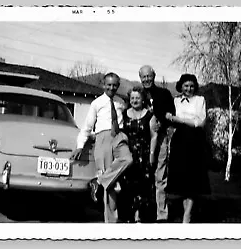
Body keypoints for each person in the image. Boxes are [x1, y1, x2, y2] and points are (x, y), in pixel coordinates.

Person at [70, 72, 133, 223]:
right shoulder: (96, 103)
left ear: (118, 86)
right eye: (109, 85)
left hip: (119, 136)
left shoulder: (121, 102)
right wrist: (80, 146)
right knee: (110, 186)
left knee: (128, 159)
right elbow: (87, 127)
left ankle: (98, 181)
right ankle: (111, 222)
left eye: (115, 85)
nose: (112, 88)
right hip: (102, 138)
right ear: (103, 85)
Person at [165, 73, 211, 223]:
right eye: (186, 86)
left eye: (191, 86)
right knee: (183, 179)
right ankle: (186, 212)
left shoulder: (200, 100)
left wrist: (180, 119)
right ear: (181, 86)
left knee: (193, 179)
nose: (189, 89)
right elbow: (170, 119)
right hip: (179, 140)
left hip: (195, 140)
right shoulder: (176, 100)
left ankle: (187, 215)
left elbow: (200, 122)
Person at [139, 65, 175, 223]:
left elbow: (171, 114)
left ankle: (161, 214)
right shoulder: (137, 94)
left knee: (160, 177)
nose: (146, 79)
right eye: (143, 77)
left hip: (160, 140)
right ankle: (142, 212)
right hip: (141, 142)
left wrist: (162, 121)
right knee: (142, 177)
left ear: (154, 76)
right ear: (140, 78)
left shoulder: (164, 93)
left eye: (149, 76)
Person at [117, 86, 157, 223]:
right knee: (128, 187)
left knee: (144, 187)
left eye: (137, 98)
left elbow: (154, 136)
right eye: (132, 98)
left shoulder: (150, 115)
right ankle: (128, 216)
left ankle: (140, 216)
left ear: (143, 99)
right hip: (128, 156)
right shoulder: (123, 114)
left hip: (144, 156)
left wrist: (152, 154)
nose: (135, 100)